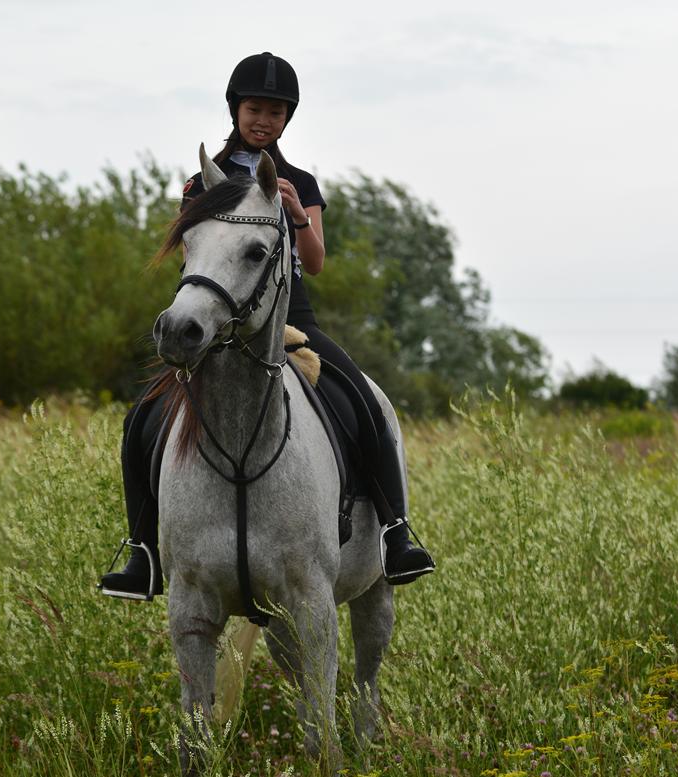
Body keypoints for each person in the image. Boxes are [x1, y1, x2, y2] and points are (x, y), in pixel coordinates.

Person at [99, 52, 434, 600]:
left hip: (291, 320)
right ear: (236, 109)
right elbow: (197, 253)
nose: (264, 120)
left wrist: (297, 213)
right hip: (221, 320)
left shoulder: (298, 181)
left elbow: (317, 261)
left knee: (365, 403)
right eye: (255, 108)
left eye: (276, 112)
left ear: (287, 119)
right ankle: (142, 550)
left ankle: (395, 532)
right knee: (142, 417)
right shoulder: (201, 182)